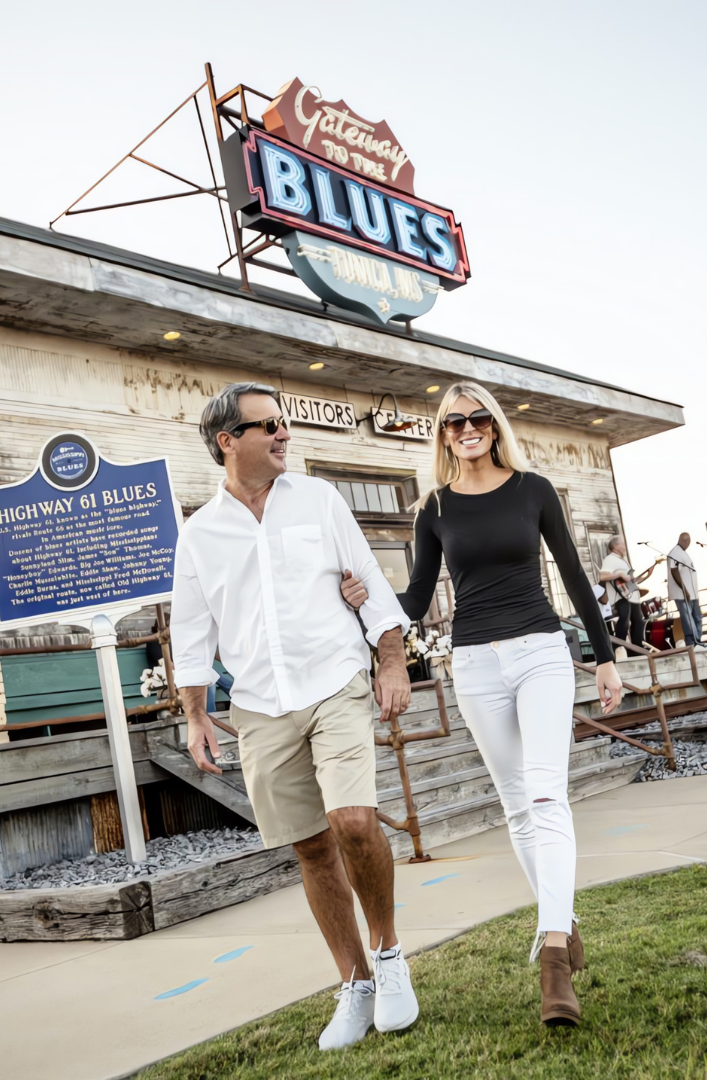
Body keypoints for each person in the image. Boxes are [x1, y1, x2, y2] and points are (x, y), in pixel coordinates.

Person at [342, 380, 623, 1028]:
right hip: (472, 663)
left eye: (477, 419)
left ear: (494, 426)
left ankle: (553, 958)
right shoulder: (434, 507)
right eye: (453, 422)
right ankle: (564, 922)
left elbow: (574, 576)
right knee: (517, 807)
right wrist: (367, 605)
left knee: (547, 794)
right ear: (442, 434)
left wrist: (604, 657)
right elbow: (414, 599)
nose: (466, 429)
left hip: (540, 653)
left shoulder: (532, 490)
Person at [170, 382, 418, 1052]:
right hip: (258, 706)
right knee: (310, 845)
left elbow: (370, 582)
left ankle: (389, 955)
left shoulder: (318, 499)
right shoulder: (199, 533)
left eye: (284, 422)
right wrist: (196, 716)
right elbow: (189, 635)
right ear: (228, 440)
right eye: (268, 425)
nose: (284, 434)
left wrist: (390, 662)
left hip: (334, 681)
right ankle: (355, 982)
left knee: (354, 822)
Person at [599, 536, 655, 652]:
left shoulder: (624, 561)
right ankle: (617, 647)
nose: (625, 546)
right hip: (619, 597)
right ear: (616, 546)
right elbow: (603, 576)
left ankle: (636, 648)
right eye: (622, 544)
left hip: (630, 596)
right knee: (624, 619)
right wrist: (619, 575)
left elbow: (630, 582)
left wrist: (647, 575)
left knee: (638, 621)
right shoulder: (610, 559)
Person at [667, 532, 703, 648]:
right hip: (683, 594)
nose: (688, 544)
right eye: (687, 541)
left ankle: (697, 640)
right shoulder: (675, 553)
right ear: (684, 541)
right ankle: (691, 642)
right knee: (688, 618)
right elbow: (674, 570)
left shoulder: (682, 553)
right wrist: (684, 589)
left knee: (697, 617)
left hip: (692, 594)